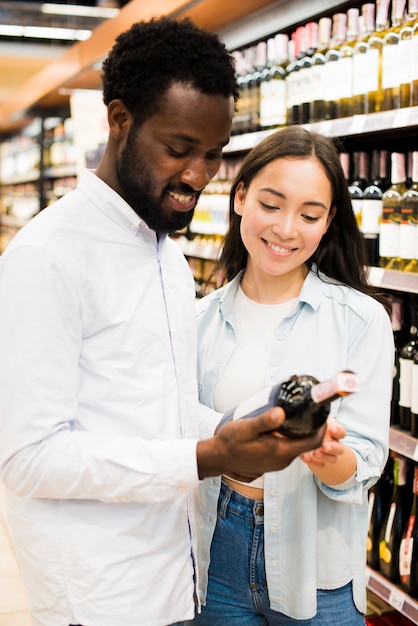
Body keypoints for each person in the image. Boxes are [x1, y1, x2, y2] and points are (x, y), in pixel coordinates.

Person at [0, 18, 334, 626]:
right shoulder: (46, 257)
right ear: (119, 120)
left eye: (212, 156)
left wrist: (247, 426)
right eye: (178, 150)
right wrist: (205, 457)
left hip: (175, 579)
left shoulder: (166, 254)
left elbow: (159, 405)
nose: (197, 177)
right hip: (100, 597)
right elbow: (28, 457)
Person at [183, 126, 395, 625]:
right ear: (240, 197)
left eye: (309, 214)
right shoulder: (195, 320)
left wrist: (328, 455)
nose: (285, 229)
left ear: (329, 222)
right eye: (271, 204)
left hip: (317, 561)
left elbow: (366, 458)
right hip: (215, 549)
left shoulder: (361, 320)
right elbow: (174, 427)